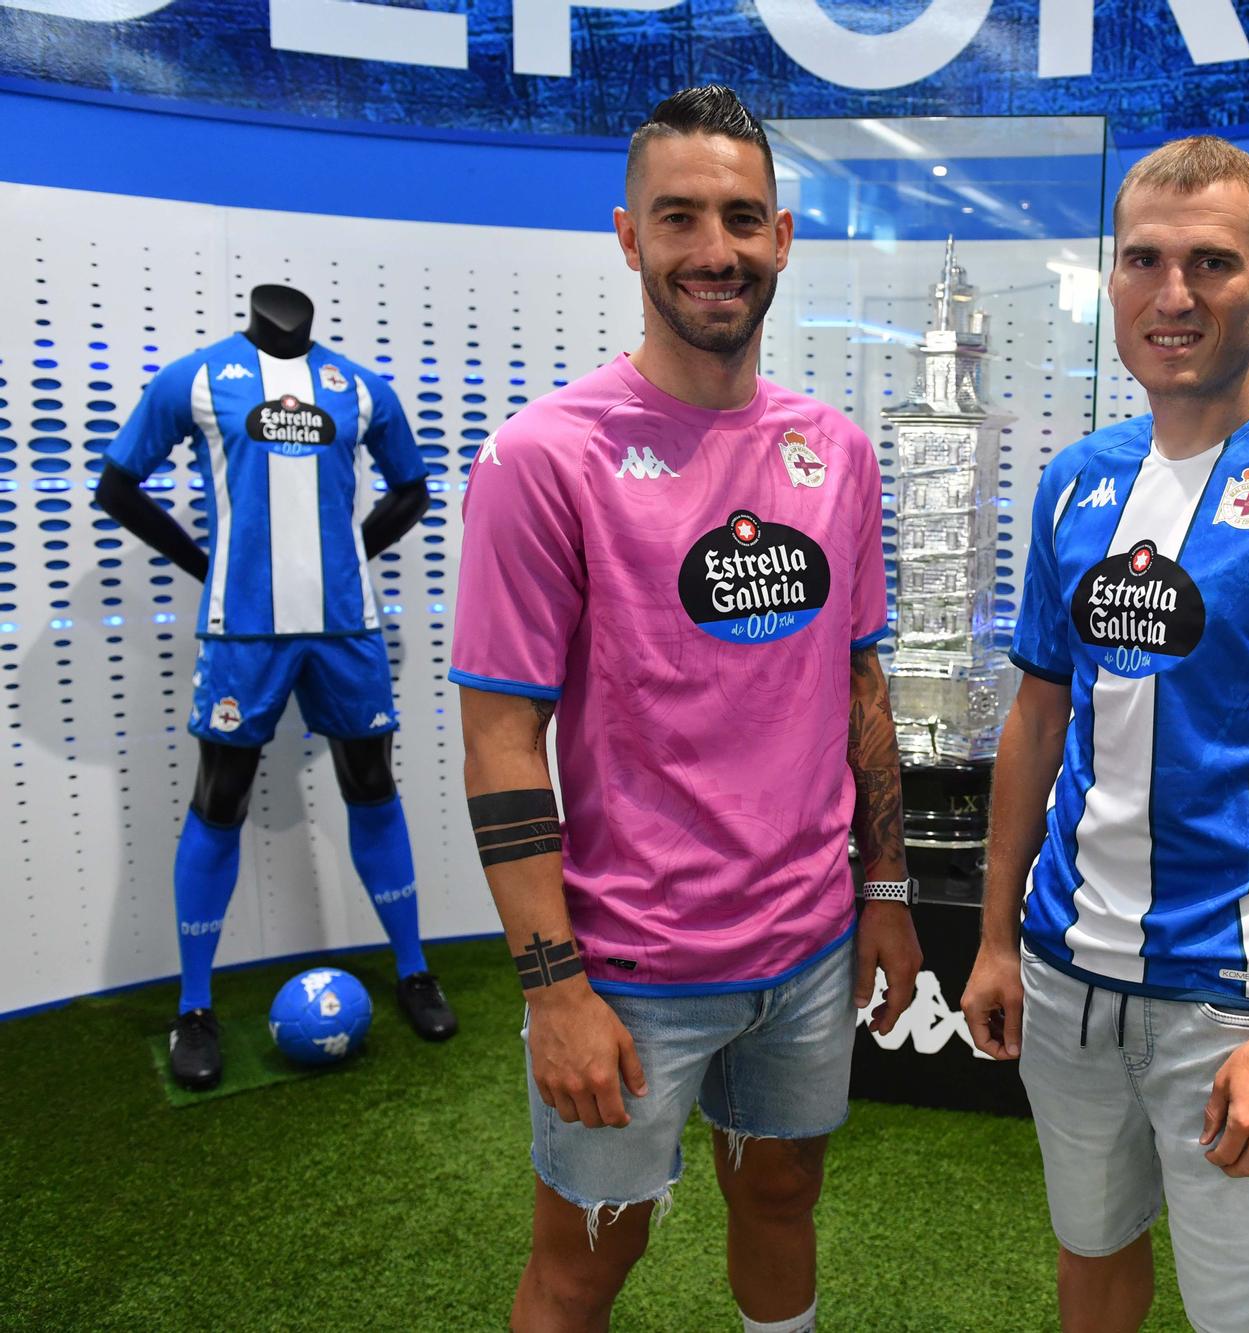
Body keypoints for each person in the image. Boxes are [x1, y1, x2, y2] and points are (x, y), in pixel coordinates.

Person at [450, 86, 920, 1333]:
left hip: (810, 948)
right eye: (680, 218)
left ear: (782, 235)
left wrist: (881, 893)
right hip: (629, 968)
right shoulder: (542, 457)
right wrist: (553, 989)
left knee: (780, 1202)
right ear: (627, 236)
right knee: (585, 1263)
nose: (715, 250)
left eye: (740, 218)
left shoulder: (838, 451)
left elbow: (857, 687)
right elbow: (501, 741)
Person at [960, 136, 1249, 1333]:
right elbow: (1035, 717)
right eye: (1145, 261)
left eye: (1212, 263)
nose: (1172, 296)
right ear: (1113, 276)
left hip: (1234, 1004)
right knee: (1092, 1255)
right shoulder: (1075, 481)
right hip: (1066, 979)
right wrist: (995, 940)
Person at [96, 281, 456, 1092]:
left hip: (345, 629)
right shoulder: (195, 378)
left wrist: (347, 554)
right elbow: (117, 486)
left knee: (372, 786)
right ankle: (194, 1005)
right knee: (219, 800)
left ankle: (413, 968)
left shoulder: (361, 387)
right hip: (242, 634)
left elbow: (414, 489)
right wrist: (206, 563)